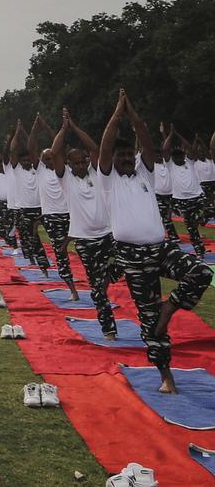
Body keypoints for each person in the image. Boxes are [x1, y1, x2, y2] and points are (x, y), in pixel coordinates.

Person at [97, 90, 211, 394]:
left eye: (127, 156)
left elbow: (145, 138)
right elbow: (107, 144)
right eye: (120, 157)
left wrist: (132, 112)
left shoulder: (144, 175)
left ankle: (170, 308)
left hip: (161, 250)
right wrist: (116, 115)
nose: (124, 159)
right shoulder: (108, 181)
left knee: (201, 272)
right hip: (132, 257)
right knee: (149, 321)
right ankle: (166, 376)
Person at [50, 109, 118, 336]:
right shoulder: (65, 179)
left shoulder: (96, 173)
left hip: (109, 235)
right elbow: (55, 151)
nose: (80, 166)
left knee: (125, 265)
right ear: (69, 165)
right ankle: (109, 330)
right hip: (86, 242)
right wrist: (63, 128)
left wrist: (75, 126)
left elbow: (95, 148)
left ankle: (106, 278)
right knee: (97, 290)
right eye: (76, 163)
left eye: (83, 162)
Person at [29, 114, 78, 297]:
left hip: (71, 214)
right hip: (52, 217)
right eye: (47, 159)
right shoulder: (40, 170)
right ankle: (73, 289)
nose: (50, 161)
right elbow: (31, 147)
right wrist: (35, 127)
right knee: (61, 252)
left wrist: (51, 128)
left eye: (52, 158)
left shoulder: (63, 170)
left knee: (83, 248)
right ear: (41, 161)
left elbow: (57, 147)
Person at [7, 121, 51, 275]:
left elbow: (33, 148)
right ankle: (42, 266)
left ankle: (56, 263)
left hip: (42, 208)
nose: (26, 162)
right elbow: (13, 150)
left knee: (53, 236)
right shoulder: (17, 169)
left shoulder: (37, 168)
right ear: (19, 162)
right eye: (23, 160)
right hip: (25, 210)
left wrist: (27, 132)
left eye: (28, 160)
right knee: (33, 239)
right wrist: (17, 132)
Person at [162, 127, 207, 258]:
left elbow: (191, 150)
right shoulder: (170, 165)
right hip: (182, 201)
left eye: (181, 155)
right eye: (176, 156)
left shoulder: (190, 162)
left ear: (183, 155)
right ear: (173, 158)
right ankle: (200, 251)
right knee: (191, 228)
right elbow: (165, 150)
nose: (179, 158)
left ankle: (200, 220)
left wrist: (178, 134)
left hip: (198, 197)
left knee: (208, 212)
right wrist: (170, 135)